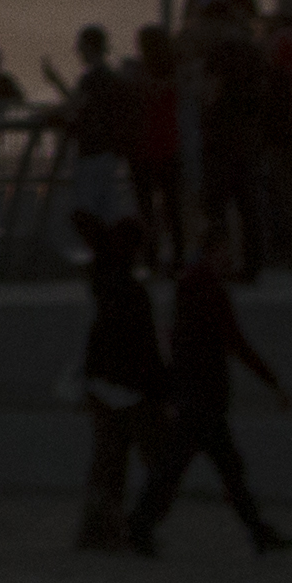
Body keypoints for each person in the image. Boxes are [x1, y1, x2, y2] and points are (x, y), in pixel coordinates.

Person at [129, 232, 292, 553]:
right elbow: (234, 341)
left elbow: (183, 342)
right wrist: (271, 382)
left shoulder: (189, 288)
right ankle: (142, 524)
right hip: (205, 397)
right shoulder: (209, 290)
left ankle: (142, 523)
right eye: (225, 251)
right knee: (211, 468)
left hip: (195, 395)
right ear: (215, 251)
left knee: (191, 466)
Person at [73, 199, 169, 552]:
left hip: (103, 386)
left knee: (108, 466)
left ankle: (100, 528)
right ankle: (137, 525)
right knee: (157, 461)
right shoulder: (132, 293)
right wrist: (162, 387)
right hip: (133, 391)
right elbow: (144, 349)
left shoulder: (103, 286)